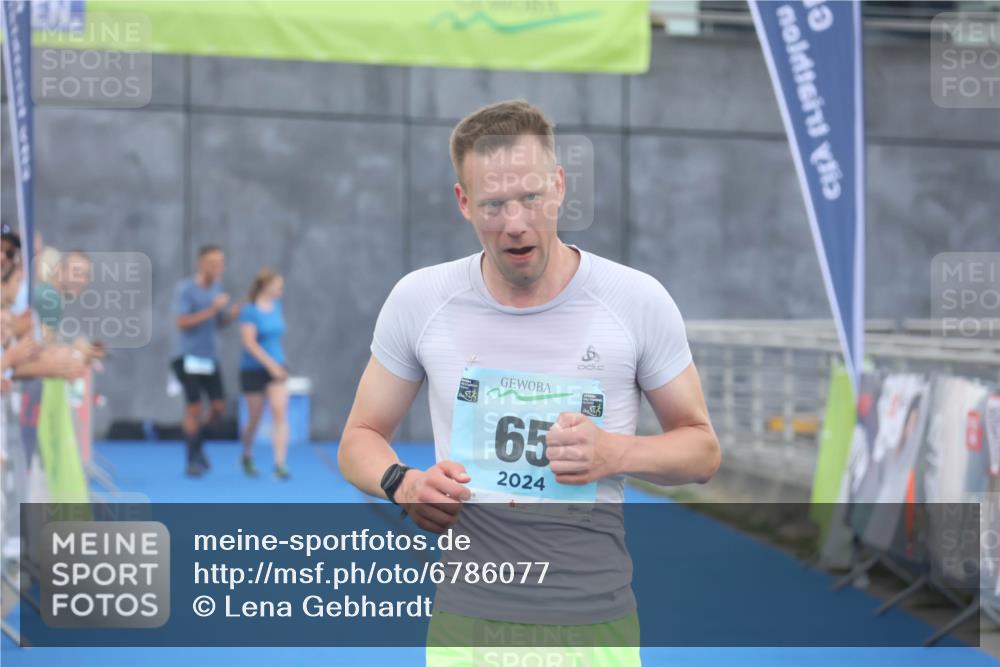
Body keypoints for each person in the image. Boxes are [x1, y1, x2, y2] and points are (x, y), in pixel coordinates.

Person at [337, 100, 721, 666]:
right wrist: (403, 483)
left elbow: (703, 451)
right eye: (493, 204)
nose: (515, 222)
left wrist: (614, 451)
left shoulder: (636, 301)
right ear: (463, 202)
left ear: (560, 186)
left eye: (531, 198)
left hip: (593, 624)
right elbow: (359, 437)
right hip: (467, 624)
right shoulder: (421, 300)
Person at [172, 245, 240, 477]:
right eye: (213, 262)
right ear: (201, 264)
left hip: (209, 358)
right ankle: (191, 460)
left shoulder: (218, 289)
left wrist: (229, 315)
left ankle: (198, 444)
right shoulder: (186, 289)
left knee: (218, 408)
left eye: (221, 262)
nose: (218, 267)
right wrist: (212, 310)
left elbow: (218, 323)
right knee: (194, 407)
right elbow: (182, 322)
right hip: (187, 356)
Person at [238, 268, 290, 479]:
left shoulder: (277, 307)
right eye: (277, 285)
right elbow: (249, 343)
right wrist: (269, 365)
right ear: (266, 286)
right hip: (253, 369)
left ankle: (279, 463)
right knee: (255, 419)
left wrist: (277, 365)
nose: (280, 289)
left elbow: (275, 337)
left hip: (278, 367)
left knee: (280, 413)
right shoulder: (249, 311)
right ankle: (247, 454)